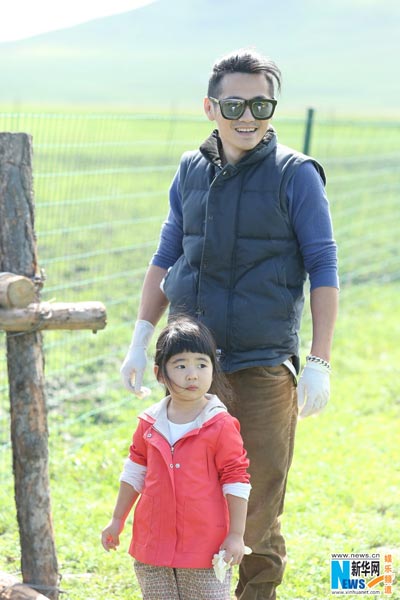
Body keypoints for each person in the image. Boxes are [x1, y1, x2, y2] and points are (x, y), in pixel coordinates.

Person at [120, 48, 339, 599]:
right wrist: (142, 335)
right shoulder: (190, 170)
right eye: (235, 103)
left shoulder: (297, 174)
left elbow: (324, 267)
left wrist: (318, 362)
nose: (248, 116)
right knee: (192, 498)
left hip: (265, 366)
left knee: (259, 505)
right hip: (193, 369)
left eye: (261, 103)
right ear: (210, 107)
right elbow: (166, 255)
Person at [102, 316, 251, 600]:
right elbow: (134, 473)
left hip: (205, 548)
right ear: (160, 374)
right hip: (153, 546)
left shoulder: (220, 425)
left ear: (212, 369)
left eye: (201, 364)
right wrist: (117, 519)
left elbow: (236, 480)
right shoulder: (148, 423)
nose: (192, 374)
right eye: (181, 365)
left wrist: (236, 534)